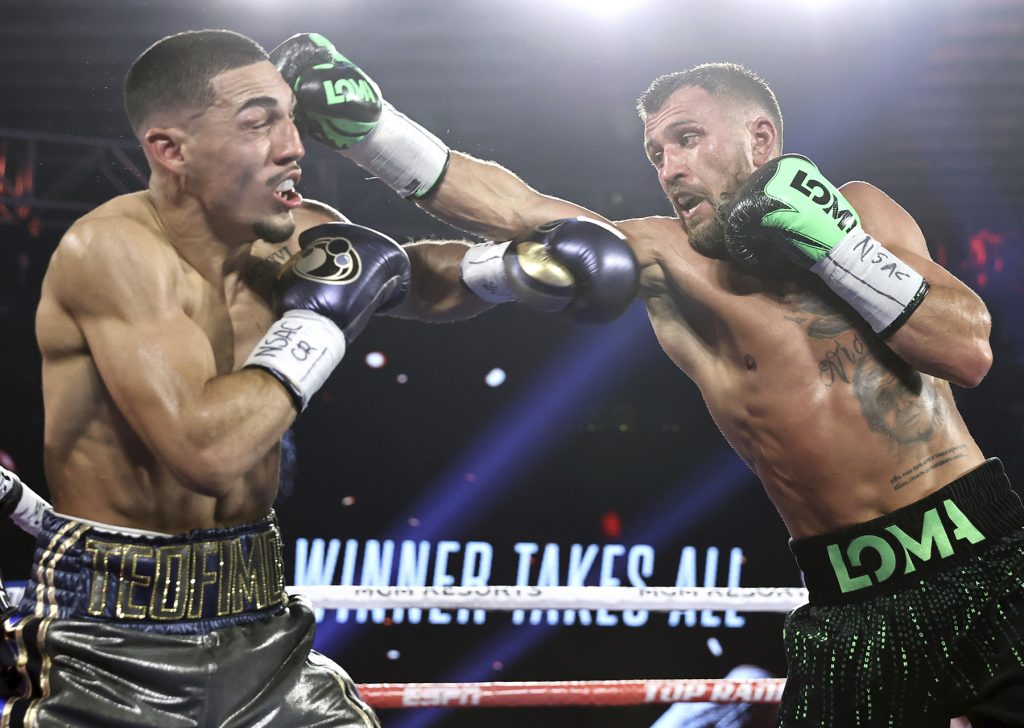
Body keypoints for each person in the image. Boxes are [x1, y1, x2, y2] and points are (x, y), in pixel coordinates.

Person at [272, 33, 1024, 728]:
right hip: (850, 606)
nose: (669, 169)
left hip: (985, 558)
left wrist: (835, 245)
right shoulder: (669, 261)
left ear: (761, 139)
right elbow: (518, 208)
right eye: (656, 153)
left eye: (687, 139)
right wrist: (371, 129)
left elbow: (967, 351)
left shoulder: (862, 212)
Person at [0, 29, 638, 727]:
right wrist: (319, 323)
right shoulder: (112, 250)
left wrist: (511, 271)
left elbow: (403, 278)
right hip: (112, 637)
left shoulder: (290, 229)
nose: (293, 145)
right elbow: (205, 452)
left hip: (259, 610)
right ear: (170, 150)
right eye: (258, 123)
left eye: (290, 118)